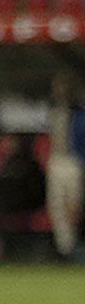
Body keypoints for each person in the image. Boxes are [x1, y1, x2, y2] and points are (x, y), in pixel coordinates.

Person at [46, 77, 83, 259]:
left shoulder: (79, 114)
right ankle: (65, 247)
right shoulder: (53, 112)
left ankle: (74, 244)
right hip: (57, 160)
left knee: (73, 205)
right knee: (56, 205)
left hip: (74, 161)